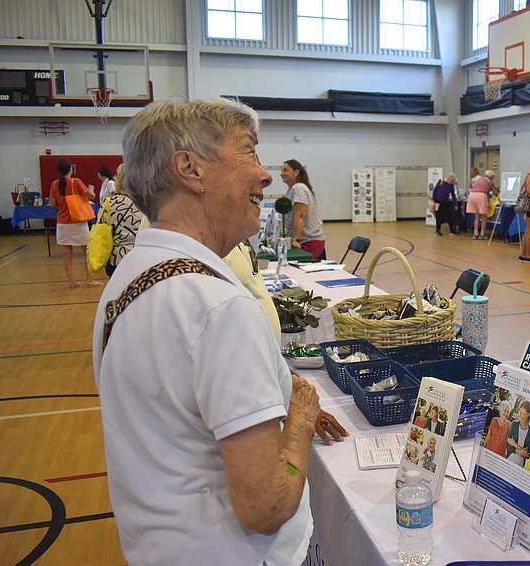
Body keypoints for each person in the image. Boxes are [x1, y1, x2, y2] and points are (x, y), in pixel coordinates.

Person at [91, 98, 346, 564]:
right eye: (248, 152)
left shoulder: (126, 281)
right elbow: (267, 505)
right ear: (190, 168)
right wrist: (302, 418)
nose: (265, 174)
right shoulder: (220, 307)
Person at [48, 158, 102, 288]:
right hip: (77, 221)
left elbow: (52, 204)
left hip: (62, 223)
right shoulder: (75, 182)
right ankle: (89, 279)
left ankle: (71, 281)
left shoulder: (54, 184)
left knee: (67, 253)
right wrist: (91, 188)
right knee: (86, 251)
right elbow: (91, 197)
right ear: (70, 169)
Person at [280, 159, 327, 260]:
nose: (281, 173)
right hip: (303, 241)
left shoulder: (299, 188)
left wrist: (295, 239)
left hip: (308, 242)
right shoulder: (292, 189)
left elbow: (300, 216)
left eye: (285, 170)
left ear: (296, 172)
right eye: (281, 170)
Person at [103, 164, 144, 277]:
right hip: (142, 259)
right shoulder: (149, 203)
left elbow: (103, 233)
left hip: (117, 260)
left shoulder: (109, 204)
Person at [467, 170, 498, 239]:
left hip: (472, 195)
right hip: (481, 196)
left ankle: (475, 233)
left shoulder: (478, 179)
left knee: (476, 216)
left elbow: (472, 186)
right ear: (491, 177)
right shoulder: (490, 181)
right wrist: (499, 196)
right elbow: (495, 193)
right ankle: (482, 234)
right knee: (484, 216)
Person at [506, 400, 530, 468]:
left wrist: (513, 443)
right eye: (521, 413)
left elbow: (527, 454)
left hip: (520, 465)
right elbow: (507, 444)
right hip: (509, 459)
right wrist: (519, 450)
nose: (521, 416)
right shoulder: (514, 424)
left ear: (528, 414)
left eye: (524, 414)